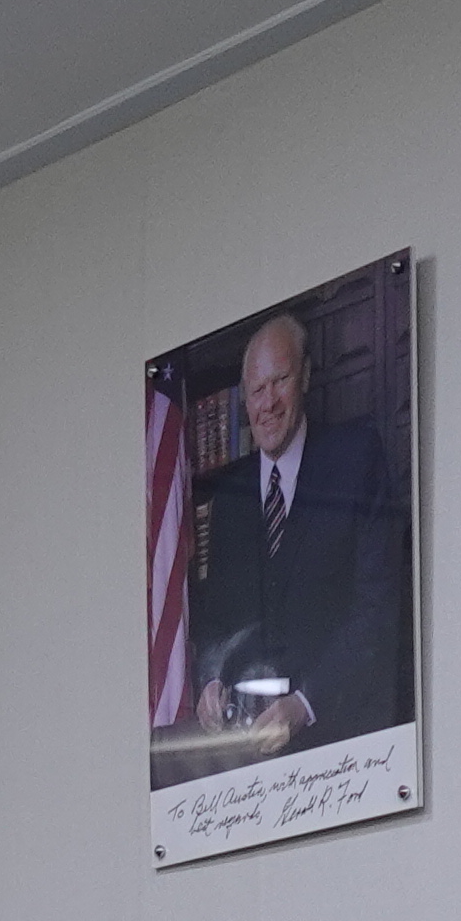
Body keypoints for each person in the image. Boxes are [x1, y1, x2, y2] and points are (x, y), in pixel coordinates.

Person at [185, 307, 409, 752]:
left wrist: (306, 703)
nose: (268, 403)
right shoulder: (230, 496)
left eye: (280, 381)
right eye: (256, 390)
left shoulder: (356, 457)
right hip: (251, 747)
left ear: (304, 377)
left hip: (342, 735)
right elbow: (215, 621)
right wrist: (210, 679)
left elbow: (378, 607)